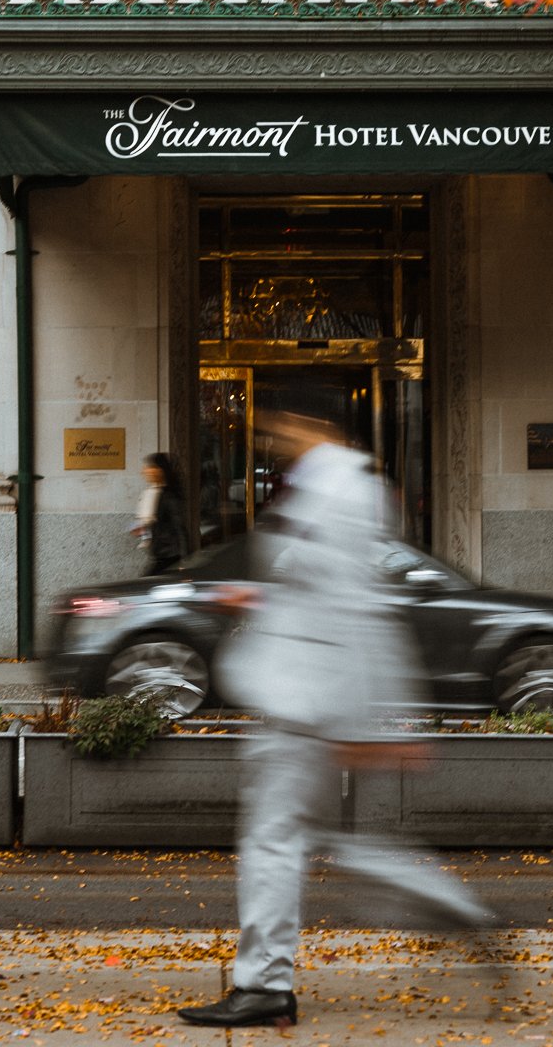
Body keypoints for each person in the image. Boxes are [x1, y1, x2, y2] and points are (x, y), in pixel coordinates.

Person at [177, 405, 493, 1031]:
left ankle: (264, 985)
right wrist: (258, 596)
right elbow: (327, 593)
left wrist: (378, 720)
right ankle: (451, 905)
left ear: (314, 427)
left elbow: (355, 608)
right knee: (316, 839)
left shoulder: (336, 490)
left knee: (275, 839)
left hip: (306, 700)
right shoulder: (338, 489)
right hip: (310, 695)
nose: (275, 440)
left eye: (282, 429)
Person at [133, 453, 188, 575]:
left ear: (160, 470)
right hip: (161, 554)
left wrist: (185, 560)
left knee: (144, 586)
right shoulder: (154, 493)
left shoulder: (169, 496)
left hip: (170, 555)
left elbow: (179, 526)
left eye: (150, 467)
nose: (145, 471)